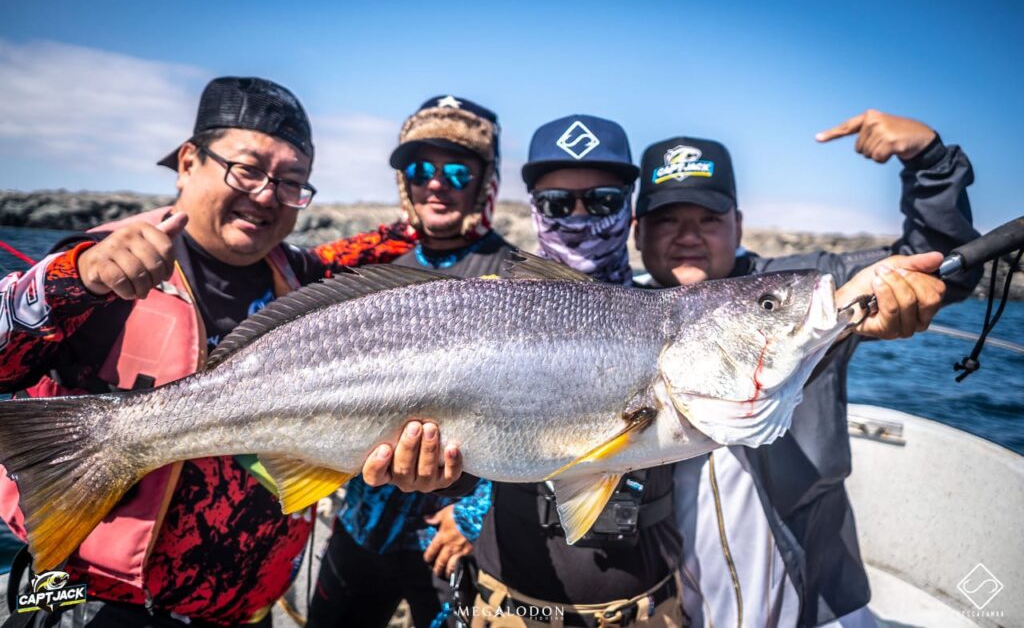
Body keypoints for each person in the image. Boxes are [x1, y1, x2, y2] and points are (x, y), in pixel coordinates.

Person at [0, 77, 462, 627]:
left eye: (291, 182)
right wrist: (70, 278)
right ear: (189, 161)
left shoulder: (304, 276)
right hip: (93, 605)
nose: (266, 194)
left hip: (247, 611)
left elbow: (402, 241)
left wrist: (451, 187)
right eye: (246, 169)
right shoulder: (98, 263)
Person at [632, 109, 980, 626]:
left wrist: (929, 161)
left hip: (821, 606)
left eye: (708, 218)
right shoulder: (614, 314)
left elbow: (938, 265)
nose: (688, 235)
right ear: (637, 231)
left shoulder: (807, 294)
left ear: (738, 225)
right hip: (680, 609)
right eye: (668, 219)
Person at [465, 115, 688, 627]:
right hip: (509, 605)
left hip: (648, 608)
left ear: (629, 212)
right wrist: (442, 486)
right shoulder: (487, 310)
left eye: (603, 201)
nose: (580, 218)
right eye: (559, 204)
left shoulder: (670, 315)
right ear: (535, 213)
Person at [307, 95, 512, 628]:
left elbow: (534, 416)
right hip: (358, 528)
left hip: (445, 546)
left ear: (485, 181)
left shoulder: (517, 280)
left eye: (457, 170)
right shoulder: (376, 270)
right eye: (420, 169)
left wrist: (472, 518)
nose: (436, 183)